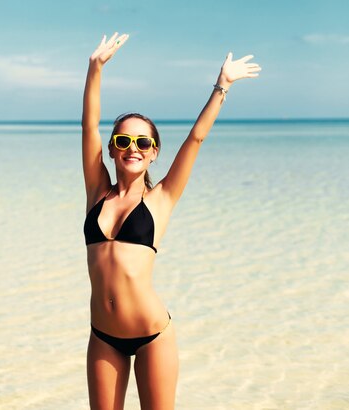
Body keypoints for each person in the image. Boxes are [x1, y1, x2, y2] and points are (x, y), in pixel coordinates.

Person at [82, 32, 261, 410]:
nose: (133, 148)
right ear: (113, 148)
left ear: (154, 153)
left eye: (143, 143)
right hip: (103, 337)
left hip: (152, 336)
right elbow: (89, 127)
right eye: (124, 141)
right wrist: (94, 69)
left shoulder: (161, 198)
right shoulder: (97, 193)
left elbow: (195, 139)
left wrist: (222, 86)